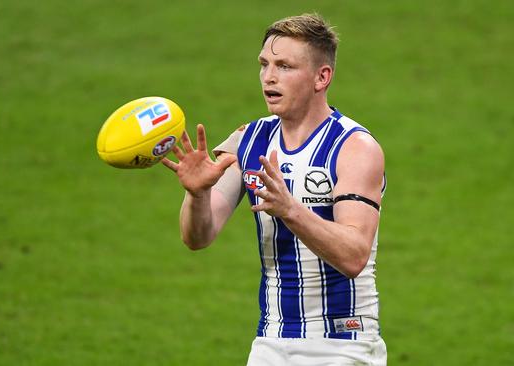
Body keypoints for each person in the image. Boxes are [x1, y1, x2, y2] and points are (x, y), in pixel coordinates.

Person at [162, 13, 387, 365]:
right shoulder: (248, 140)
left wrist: (291, 210)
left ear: (321, 77)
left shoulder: (354, 148)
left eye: (285, 66)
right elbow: (198, 237)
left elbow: (354, 255)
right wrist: (197, 194)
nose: (269, 76)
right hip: (271, 341)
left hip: (343, 343)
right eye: (265, 64)